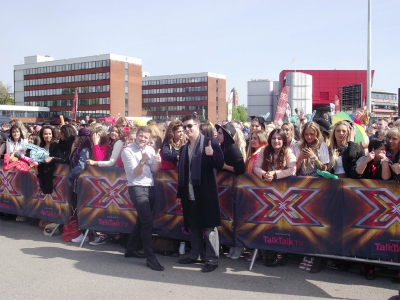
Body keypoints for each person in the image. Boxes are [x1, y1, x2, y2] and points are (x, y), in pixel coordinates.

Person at [176, 114, 224, 272]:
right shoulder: (184, 148)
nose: (187, 129)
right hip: (188, 194)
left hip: (206, 193)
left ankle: (212, 259)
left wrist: (212, 155)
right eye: (185, 127)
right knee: (194, 226)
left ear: (198, 126)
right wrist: (179, 194)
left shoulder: (211, 143)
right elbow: (182, 174)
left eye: (190, 126)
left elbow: (220, 163)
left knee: (210, 227)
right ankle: (195, 254)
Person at [121, 126, 164, 271]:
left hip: (150, 187)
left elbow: (154, 170)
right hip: (136, 187)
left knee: (141, 220)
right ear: (137, 135)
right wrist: (143, 161)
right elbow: (135, 174)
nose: (143, 139)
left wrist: (158, 161)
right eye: (141, 136)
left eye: (146, 137)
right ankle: (150, 258)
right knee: (147, 222)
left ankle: (130, 249)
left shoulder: (150, 150)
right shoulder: (127, 151)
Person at [253, 128, 296, 267]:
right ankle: (269, 253)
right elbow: (256, 167)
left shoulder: (289, 151)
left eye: (279, 138)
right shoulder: (265, 151)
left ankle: (283, 254)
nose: (276, 141)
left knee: (283, 223)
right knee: (268, 222)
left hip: (285, 193)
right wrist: (265, 174)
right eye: (273, 138)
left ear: (283, 140)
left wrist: (276, 174)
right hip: (267, 192)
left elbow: (292, 169)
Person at [215, 123, 245, 259]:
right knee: (225, 218)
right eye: (218, 133)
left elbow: (241, 168)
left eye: (220, 133)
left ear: (227, 136)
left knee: (234, 218)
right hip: (222, 189)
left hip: (233, 187)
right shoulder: (219, 147)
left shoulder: (233, 148)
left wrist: (225, 166)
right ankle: (227, 244)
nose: (218, 135)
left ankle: (237, 246)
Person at [68, 128, 92, 243]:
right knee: (76, 207)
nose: (75, 139)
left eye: (77, 137)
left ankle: (83, 234)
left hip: (81, 183)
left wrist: (71, 175)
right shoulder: (79, 149)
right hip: (77, 182)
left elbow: (81, 166)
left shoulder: (85, 150)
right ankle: (79, 232)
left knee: (80, 207)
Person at [37, 125, 59, 194]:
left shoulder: (55, 144)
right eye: (45, 134)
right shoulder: (41, 145)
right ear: (42, 135)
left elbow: (56, 157)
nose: (48, 135)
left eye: (50, 134)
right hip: (42, 172)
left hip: (53, 173)